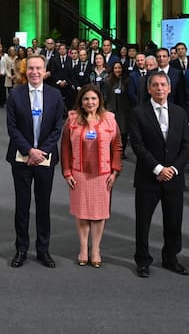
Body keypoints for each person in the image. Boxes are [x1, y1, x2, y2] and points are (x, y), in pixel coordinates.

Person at [6, 54, 64, 268]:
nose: (34, 72)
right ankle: (21, 249)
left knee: (43, 205)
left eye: (38, 68)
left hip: (45, 160)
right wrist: (29, 150)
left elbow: (58, 128)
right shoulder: (15, 94)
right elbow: (12, 127)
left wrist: (40, 152)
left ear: (45, 70)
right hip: (21, 158)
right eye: (30, 68)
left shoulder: (55, 95)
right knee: (22, 206)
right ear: (25, 70)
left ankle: (43, 250)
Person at [130, 72, 189, 278]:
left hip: (174, 177)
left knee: (174, 221)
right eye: (155, 85)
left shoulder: (180, 112)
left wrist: (172, 170)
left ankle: (171, 258)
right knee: (143, 222)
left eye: (163, 85)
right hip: (149, 176)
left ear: (170, 88)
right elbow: (137, 145)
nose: (159, 88)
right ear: (149, 89)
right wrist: (158, 169)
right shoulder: (138, 112)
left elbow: (186, 145)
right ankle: (143, 260)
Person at [60, 84, 123, 268]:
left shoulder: (110, 119)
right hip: (78, 173)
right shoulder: (72, 119)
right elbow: (65, 146)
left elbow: (117, 146)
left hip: (102, 174)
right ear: (81, 101)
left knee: (98, 214)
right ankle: (83, 249)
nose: (90, 102)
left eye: (93, 99)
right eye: (86, 99)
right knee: (82, 213)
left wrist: (115, 171)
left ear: (99, 101)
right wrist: (66, 172)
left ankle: (95, 249)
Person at [102, 61, 131, 158]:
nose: (118, 70)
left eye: (119, 68)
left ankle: (121, 151)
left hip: (124, 109)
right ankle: (111, 150)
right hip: (111, 108)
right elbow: (105, 95)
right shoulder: (108, 80)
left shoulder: (127, 80)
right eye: (115, 68)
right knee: (111, 131)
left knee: (123, 131)